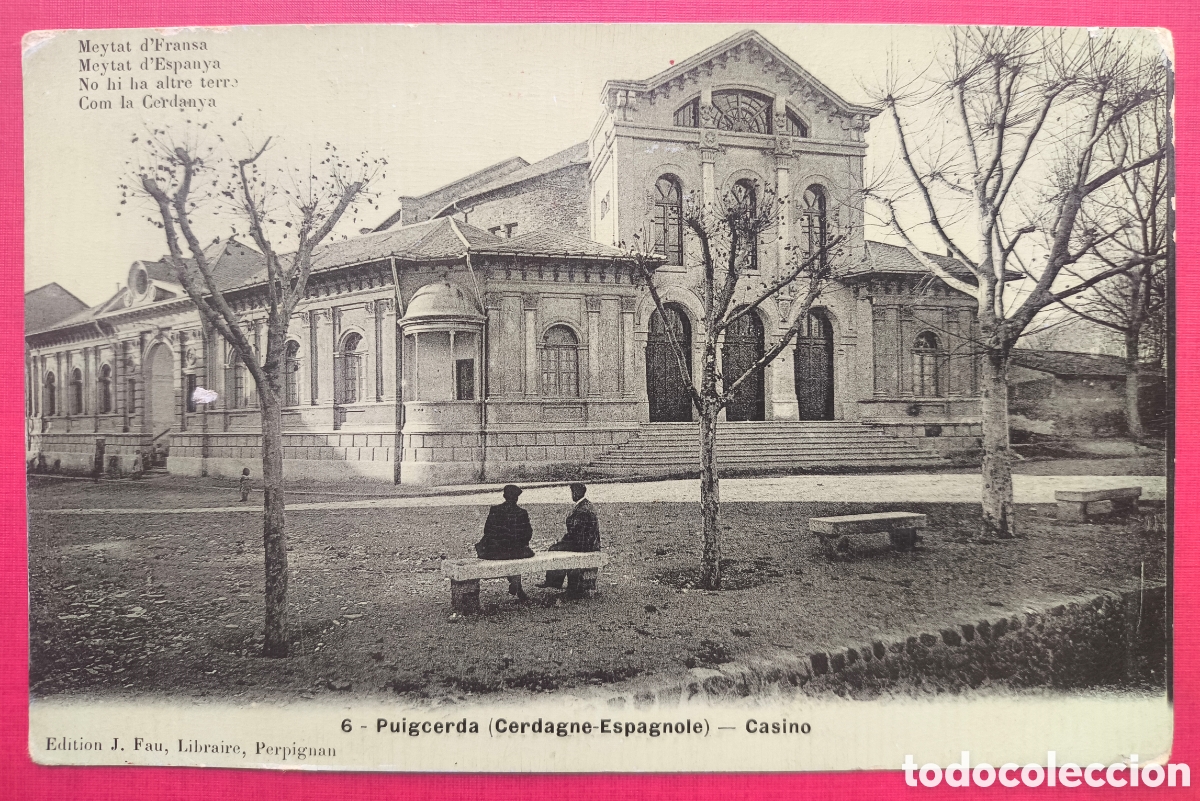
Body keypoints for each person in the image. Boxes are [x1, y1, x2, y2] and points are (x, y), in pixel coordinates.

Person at [475, 484, 535, 601]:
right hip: (516, 552)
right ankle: (517, 583)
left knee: (510, 555)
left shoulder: (495, 510)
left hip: (496, 552)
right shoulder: (522, 513)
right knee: (518, 556)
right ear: (517, 498)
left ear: (504, 496)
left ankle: (516, 582)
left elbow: (487, 531)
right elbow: (528, 534)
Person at [537, 483, 600, 593]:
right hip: (589, 542)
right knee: (557, 547)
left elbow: (577, 533)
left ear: (577, 493)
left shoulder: (582, 510)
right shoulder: (586, 505)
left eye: (573, 492)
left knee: (554, 550)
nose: (572, 495)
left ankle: (554, 582)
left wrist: (564, 542)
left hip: (584, 544)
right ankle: (555, 581)